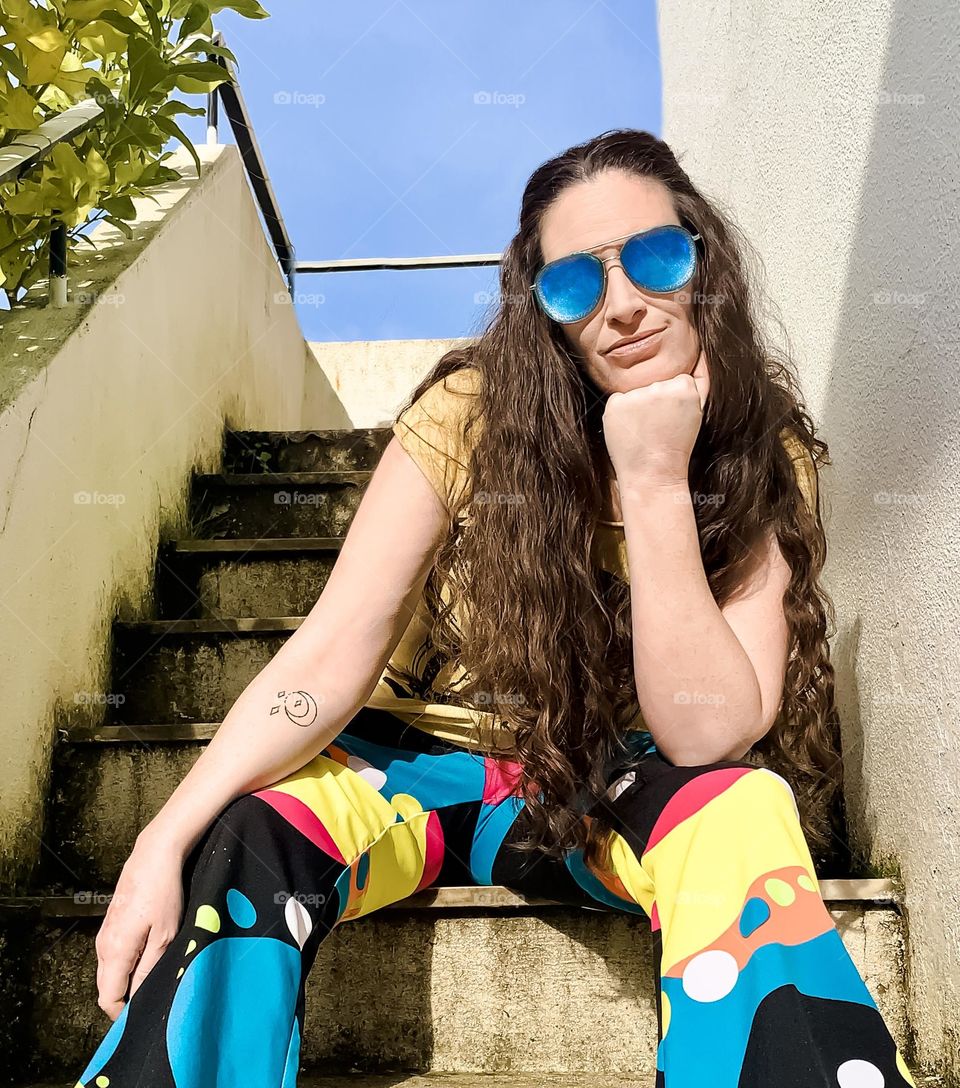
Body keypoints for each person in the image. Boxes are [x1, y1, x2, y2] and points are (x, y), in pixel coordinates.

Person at [74, 129, 918, 1087]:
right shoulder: (474, 413)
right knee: (248, 833)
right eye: (575, 284)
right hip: (414, 774)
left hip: (612, 782)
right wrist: (163, 835)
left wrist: (652, 481)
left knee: (742, 810)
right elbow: (331, 650)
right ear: (545, 309)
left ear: (703, 261)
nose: (624, 306)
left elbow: (708, 736)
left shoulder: (764, 455)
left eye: (655, 257)